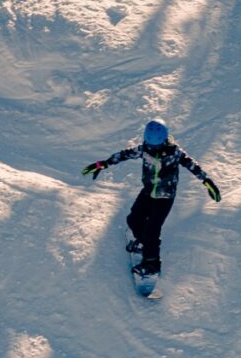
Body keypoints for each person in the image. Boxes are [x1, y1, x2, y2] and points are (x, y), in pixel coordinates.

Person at [82, 118, 221, 276]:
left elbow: (193, 166)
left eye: (156, 146)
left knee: (152, 230)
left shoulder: (175, 152)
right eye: (150, 145)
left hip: (165, 197)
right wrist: (102, 164)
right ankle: (143, 243)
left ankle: (152, 264)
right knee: (133, 220)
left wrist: (207, 181)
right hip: (148, 192)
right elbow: (124, 155)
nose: (152, 148)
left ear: (164, 141)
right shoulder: (144, 149)